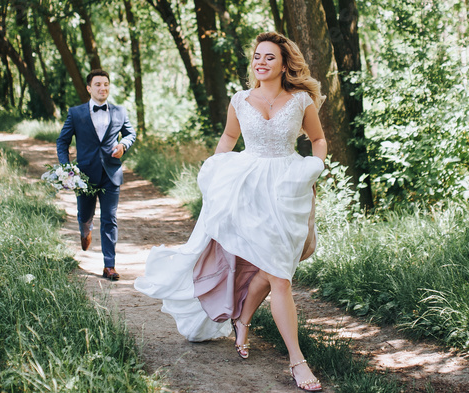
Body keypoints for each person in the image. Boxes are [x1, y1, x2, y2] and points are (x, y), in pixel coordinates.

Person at [135, 31, 326, 391]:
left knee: (276, 269)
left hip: (286, 188)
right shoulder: (240, 99)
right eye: (257, 56)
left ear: (285, 64)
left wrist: (312, 168)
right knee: (278, 276)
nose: (261, 62)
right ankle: (297, 361)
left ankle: (243, 321)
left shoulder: (301, 100)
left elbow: (318, 140)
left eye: (270, 57)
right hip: (247, 189)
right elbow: (228, 138)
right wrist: (215, 169)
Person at [56, 69, 136, 281]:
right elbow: (62, 142)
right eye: (98, 84)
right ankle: (85, 229)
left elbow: (130, 134)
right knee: (85, 214)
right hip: (84, 177)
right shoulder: (76, 113)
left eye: (106, 84)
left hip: (111, 174)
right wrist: (67, 169)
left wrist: (123, 145)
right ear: (89, 88)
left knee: (110, 218)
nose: (103, 88)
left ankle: (109, 266)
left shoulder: (120, 111)